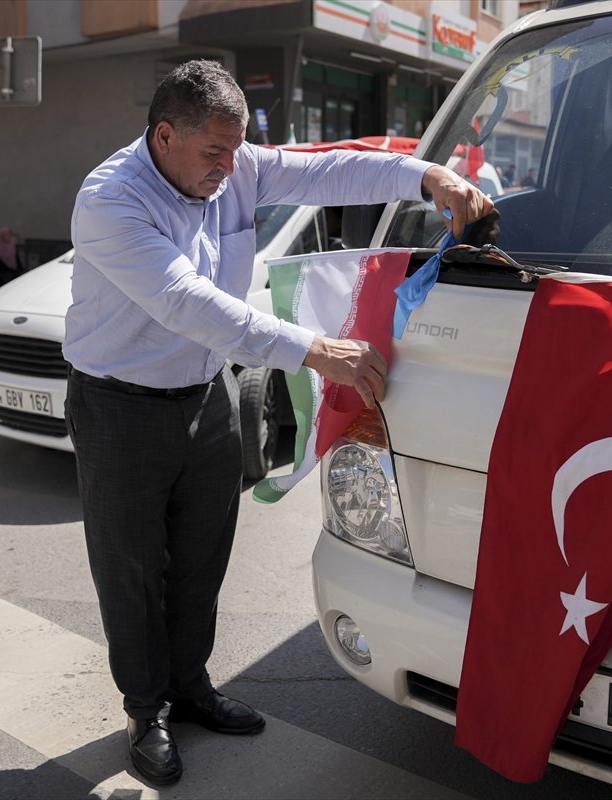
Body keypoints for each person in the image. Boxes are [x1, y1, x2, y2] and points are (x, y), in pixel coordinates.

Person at [64, 59, 493, 786]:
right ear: (165, 135)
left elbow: (331, 174)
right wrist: (315, 351)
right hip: (119, 408)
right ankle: (147, 710)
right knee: (133, 571)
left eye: (237, 151)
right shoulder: (112, 200)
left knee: (202, 557)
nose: (231, 170)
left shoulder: (235, 165)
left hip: (203, 395)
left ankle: (191, 688)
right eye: (213, 153)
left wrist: (428, 178)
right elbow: (187, 303)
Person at [0, 226, 21, 295]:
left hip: (13, 277)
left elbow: (17, 261)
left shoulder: (12, 246)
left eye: (9, 234)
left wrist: (20, 271)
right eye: (6, 235)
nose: (8, 236)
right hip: (1, 279)